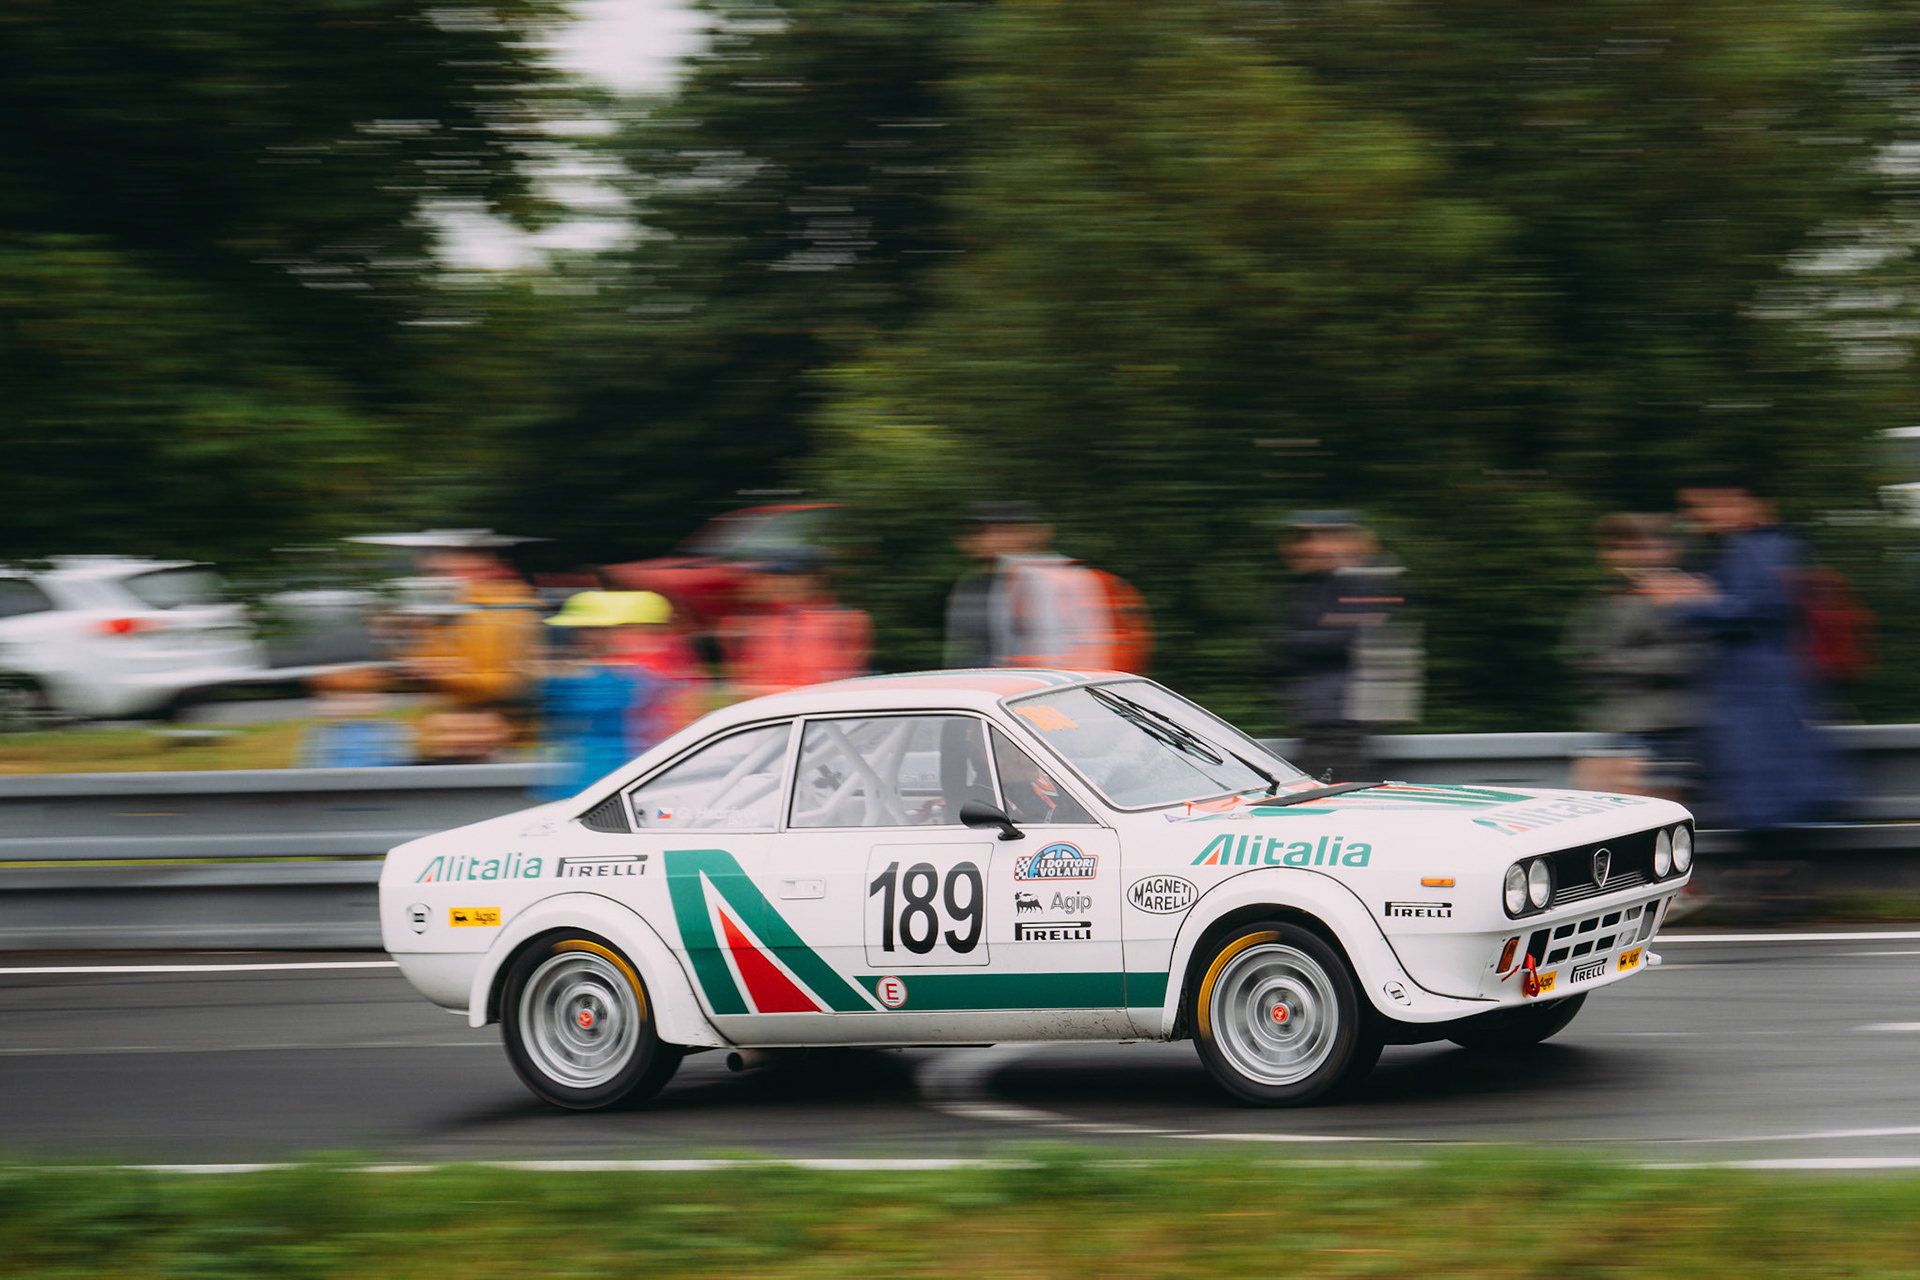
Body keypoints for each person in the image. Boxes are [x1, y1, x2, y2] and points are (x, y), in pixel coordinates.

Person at [1654, 472, 1844, 839]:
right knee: (1763, 779)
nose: (1696, 515)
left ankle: (1775, 862)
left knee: (1766, 781)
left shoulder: (1760, 547)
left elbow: (1758, 608)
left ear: (1741, 501)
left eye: (1703, 505)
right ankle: (1774, 860)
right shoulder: (1755, 546)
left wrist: (1685, 601)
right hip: (1755, 683)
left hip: (1758, 684)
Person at [1263, 511, 1417, 784]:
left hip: (1340, 716)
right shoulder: (1324, 584)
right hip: (1326, 714)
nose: (1297, 549)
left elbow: (1355, 636)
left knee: (1329, 792)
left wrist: (1297, 640)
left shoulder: (1361, 582)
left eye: (1308, 539)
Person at [1565, 514, 1706, 800]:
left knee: (1657, 816)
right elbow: (1579, 652)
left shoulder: (1684, 593)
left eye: (1637, 547)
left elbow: (1690, 656)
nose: (1625, 555)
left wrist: (1616, 663)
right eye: (1616, 547)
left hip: (1667, 728)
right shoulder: (1609, 597)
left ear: (1666, 549)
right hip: (1616, 723)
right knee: (1599, 808)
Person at [943, 501, 1151, 671]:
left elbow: (1050, 644)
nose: (990, 539)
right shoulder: (973, 584)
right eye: (979, 532)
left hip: (1042, 685)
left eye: (1004, 530)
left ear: (1037, 533)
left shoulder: (1052, 580)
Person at [534, 591, 670, 798]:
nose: (580, 636)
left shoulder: (623, 678)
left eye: (589, 629)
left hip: (605, 778)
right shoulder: (632, 675)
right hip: (601, 778)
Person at [722, 552, 872, 697]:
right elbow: (744, 681)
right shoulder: (753, 624)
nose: (782, 584)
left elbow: (847, 679)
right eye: (776, 576)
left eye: (792, 576)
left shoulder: (845, 620)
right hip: (768, 710)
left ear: (816, 579)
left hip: (819, 707)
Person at [296, 666, 414, 768]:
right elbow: (310, 771)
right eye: (338, 697)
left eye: (361, 695)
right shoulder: (319, 734)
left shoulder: (392, 731)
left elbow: (403, 768)